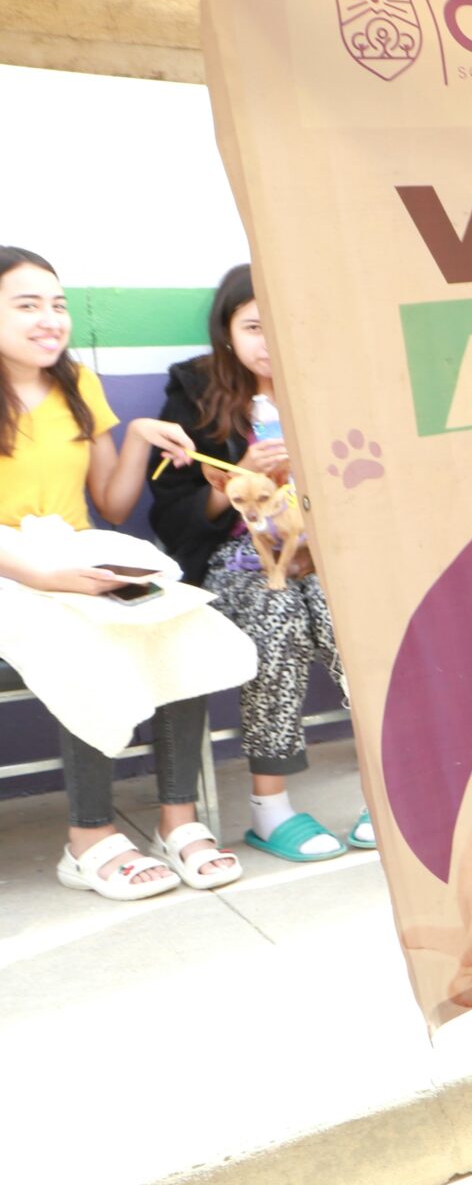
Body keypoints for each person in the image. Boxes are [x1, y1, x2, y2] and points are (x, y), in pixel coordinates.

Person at [0, 247, 243, 900]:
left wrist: (136, 434)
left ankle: (178, 819)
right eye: (28, 305)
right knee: (86, 635)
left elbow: (109, 503)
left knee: (178, 623)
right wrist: (49, 577)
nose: (51, 319)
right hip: (11, 571)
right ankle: (88, 838)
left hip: (73, 551)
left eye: (57, 305)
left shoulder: (77, 386)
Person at [151, 266, 367, 859]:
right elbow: (171, 516)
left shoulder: (330, 385)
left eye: (281, 324)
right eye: (252, 325)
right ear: (226, 331)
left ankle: (389, 787)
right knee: (278, 618)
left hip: (326, 550)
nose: (268, 341)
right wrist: (241, 476)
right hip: (238, 554)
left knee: (351, 618)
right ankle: (270, 806)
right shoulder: (193, 393)